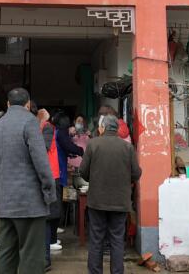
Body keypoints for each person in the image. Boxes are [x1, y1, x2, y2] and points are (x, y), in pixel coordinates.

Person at [0, 88, 56, 274]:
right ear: (28, 104)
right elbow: (42, 164)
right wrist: (49, 193)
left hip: (5, 202)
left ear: (8, 104)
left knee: (6, 254)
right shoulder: (30, 122)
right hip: (30, 203)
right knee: (31, 256)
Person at [80, 115, 142, 274]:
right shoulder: (127, 147)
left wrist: (94, 178)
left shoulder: (93, 144)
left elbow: (83, 171)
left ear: (102, 128)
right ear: (117, 129)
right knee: (117, 240)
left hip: (97, 201)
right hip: (120, 201)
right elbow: (136, 173)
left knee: (96, 240)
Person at [30, 102, 60, 272]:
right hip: (39, 176)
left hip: (47, 177)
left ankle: (45, 259)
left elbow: (42, 147)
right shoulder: (37, 127)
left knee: (45, 219)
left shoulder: (46, 127)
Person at [52, 111, 84, 248]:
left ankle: (52, 236)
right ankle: (51, 240)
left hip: (58, 170)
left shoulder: (57, 132)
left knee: (57, 204)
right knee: (56, 206)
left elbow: (64, 148)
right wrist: (81, 151)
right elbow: (68, 146)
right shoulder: (61, 133)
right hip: (57, 171)